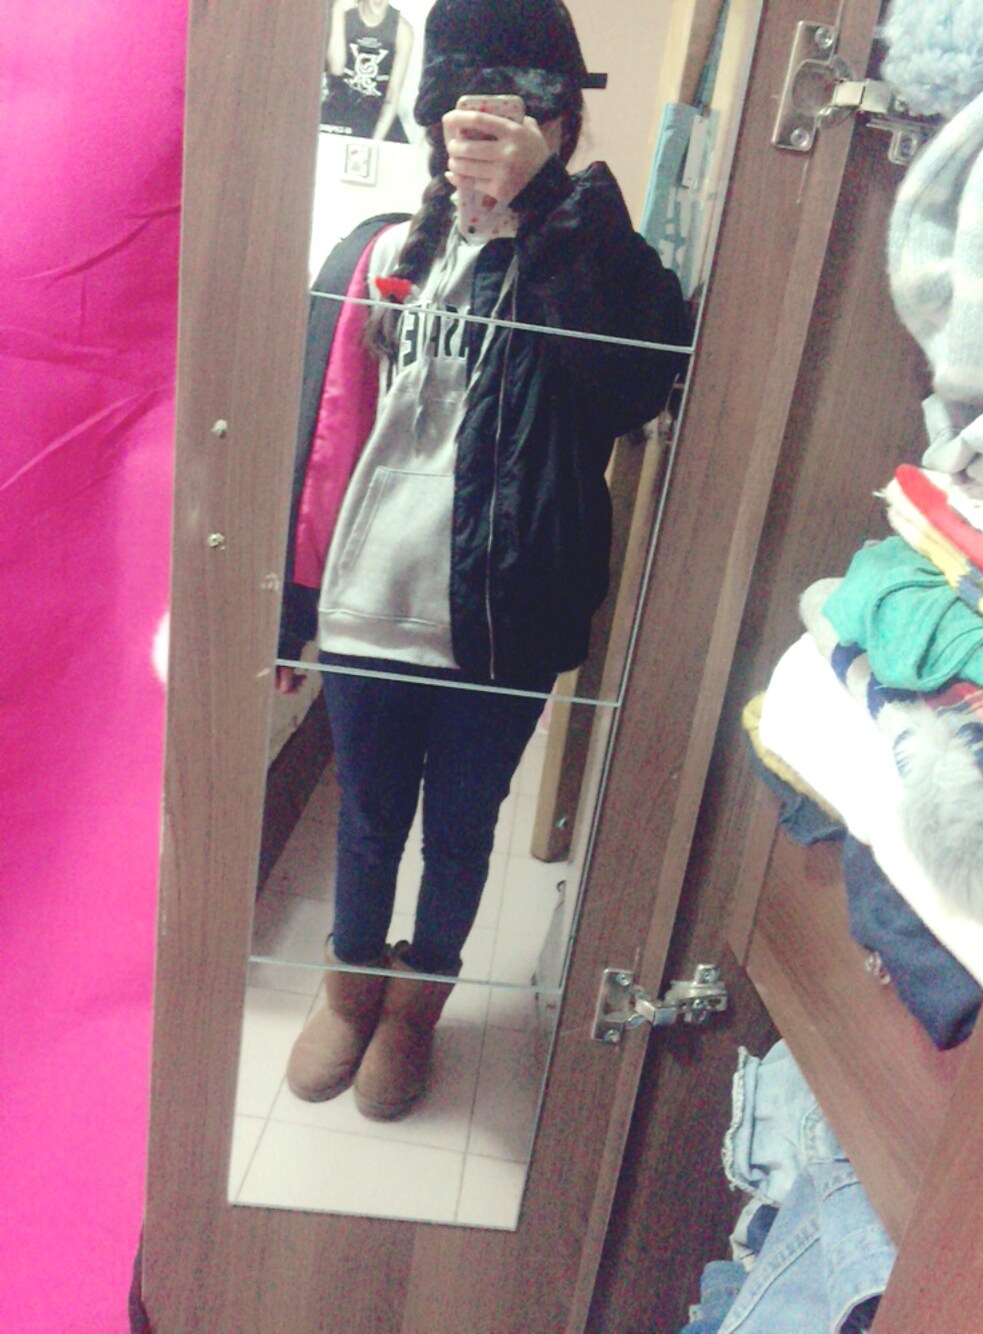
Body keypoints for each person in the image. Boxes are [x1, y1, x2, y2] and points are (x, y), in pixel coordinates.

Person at [278, 0, 691, 1121]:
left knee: (461, 833)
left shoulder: (593, 256)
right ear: (434, 124)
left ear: (560, 126)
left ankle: (417, 1011)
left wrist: (548, 207)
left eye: (520, 117)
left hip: (506, 621)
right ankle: (350, 991)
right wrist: (290, 610)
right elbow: (315, 436)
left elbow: (638, 380)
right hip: (369, 605)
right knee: (367, 820)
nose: (489, 139)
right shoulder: (378, 250)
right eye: (467, 117)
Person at [321, 0, 414, 143]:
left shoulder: (402, 30)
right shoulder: (345, 14)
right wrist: (338, 11)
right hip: (340, 108)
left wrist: (374, 143)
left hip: (375, 114)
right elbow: (336, 68)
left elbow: (392, 97)